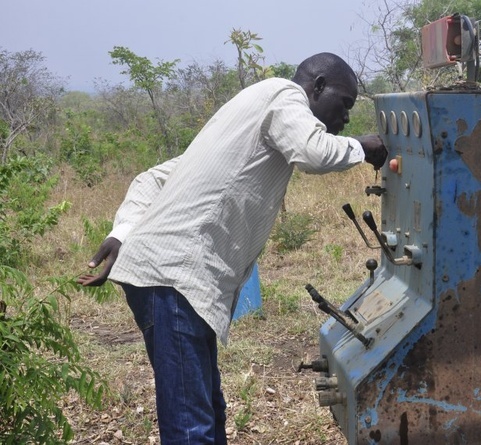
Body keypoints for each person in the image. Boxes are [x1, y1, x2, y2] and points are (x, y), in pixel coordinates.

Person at [77, 52, 387, 444]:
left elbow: (150, 178)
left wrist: (121, 233)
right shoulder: (283, 95)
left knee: (207, 410)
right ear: (318, 86)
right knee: (192, 427)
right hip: (173, 277)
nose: (345, 118)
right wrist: (364, 146)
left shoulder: (247, 118)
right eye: (344, 103)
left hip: (180, 283)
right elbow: (313, 153)